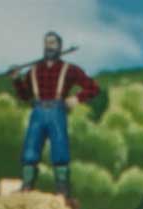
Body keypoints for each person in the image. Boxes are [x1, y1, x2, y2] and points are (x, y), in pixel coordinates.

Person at [12, 31, 99, 200]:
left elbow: (93, 88)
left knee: (60, 150)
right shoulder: (33, 71)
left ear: (59, 46)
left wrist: (76, 99)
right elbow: (25, 96)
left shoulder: (70, 70)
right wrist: (16, 80)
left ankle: (62, 192)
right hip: (37, 112)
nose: (48, 46)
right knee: (30, 150)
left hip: (57, 112)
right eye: (46, 43)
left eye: (52, 43)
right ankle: (26, 187)